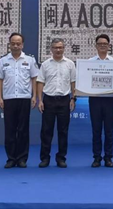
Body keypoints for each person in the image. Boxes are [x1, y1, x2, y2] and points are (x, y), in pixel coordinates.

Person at [0, 33, 38, 168]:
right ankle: (11, 158)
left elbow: (34, 78)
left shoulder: (30, 60)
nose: (15, 46)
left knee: (23, 130)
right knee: (10, 130)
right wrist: (0, 97)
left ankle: (22, 159)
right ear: (9, 44)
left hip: (24, 98)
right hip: (8, 99)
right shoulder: (3, 60)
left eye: (18, 43)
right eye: (13, 43)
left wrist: (34, 96)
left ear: (22, 45)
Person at [37, 38, 76, 168]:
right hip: (48, 100)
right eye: (55, 47)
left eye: (60, 47)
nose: (58, 50)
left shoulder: (70, 64)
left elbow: (73, 82)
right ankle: (45, 158)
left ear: (64, 48)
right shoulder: (45, 64)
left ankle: (61, 158)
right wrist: (40, 100)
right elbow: (40, 82)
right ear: (51, 49)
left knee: (63, 131)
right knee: (46, 131)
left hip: (64, 100)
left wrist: (73, 98)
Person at [89, 34, 113, 168]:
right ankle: (96, 158)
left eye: (105, 44)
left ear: (109, 46)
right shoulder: (89, 62)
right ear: (96, 46)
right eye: (100, 44)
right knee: (96, 130)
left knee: (109, 130)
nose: (102, 46)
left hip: (110, 100)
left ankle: (108, 157)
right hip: (94, 100)